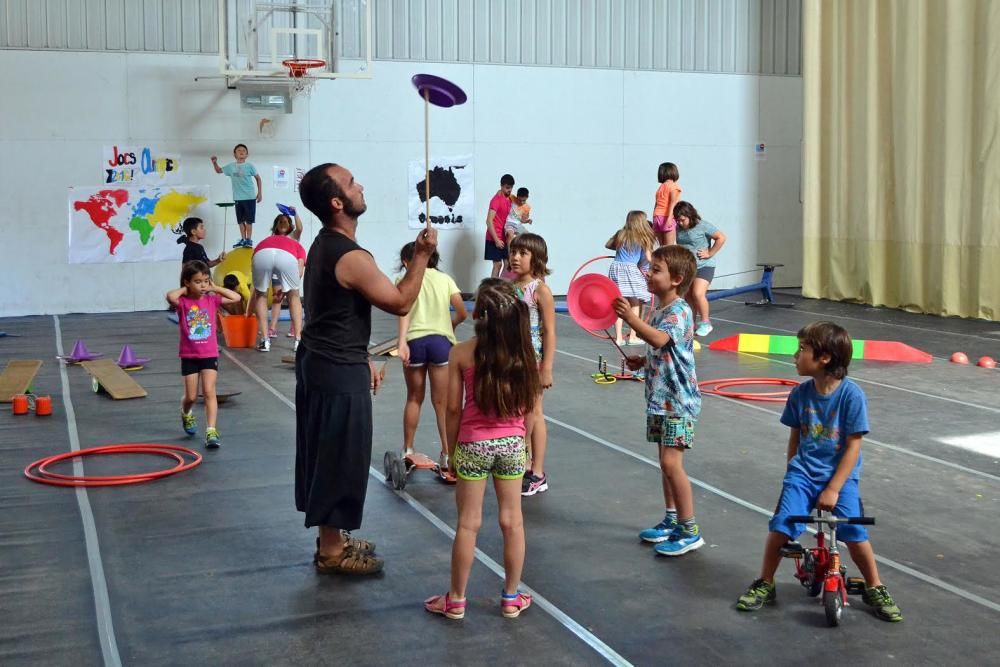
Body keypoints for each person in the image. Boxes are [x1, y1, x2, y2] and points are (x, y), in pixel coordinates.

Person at [296, 162, 438, 575]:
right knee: (340, 456)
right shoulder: (350, 256)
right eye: (351, 183)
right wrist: (422, 256)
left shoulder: (325, 245)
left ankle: (333, 537)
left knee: (329, 452)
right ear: (338, 202)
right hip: (335, 371)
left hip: (328, 361)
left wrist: (364, 357)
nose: (361, 185)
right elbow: (399, 301)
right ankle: (330, 551)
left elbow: (335, 316)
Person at [735, 322, 903, 622]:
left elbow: (853, 447)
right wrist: (792, 476)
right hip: (803, 474)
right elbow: (795, 438)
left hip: (840, 476)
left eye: (802, 350)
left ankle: (875, 586)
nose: (795, 356)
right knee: (781, 526)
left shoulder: (851, 396)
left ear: (824, 358)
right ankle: (765, 581)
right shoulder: (800, 395)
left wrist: (834, 488)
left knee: (854, 532)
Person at [424, 279, 541, 620]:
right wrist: (523, 444)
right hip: (511, 444)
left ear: (478, 315)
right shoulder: (524, 356)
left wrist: (450, 450)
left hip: (473, 444)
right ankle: (510, 597)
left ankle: (457, 599)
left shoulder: (460, 352)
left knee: (468, 523)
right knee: (512, 522)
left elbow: (452, 409)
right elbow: (532, 410)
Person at [614, 245, 705, 556]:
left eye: (655, 270)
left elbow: (660, 338)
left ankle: (690, 529)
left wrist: (630, 318)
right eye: (649, 268)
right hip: (659, 401)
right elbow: (661, 348)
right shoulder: (658, 310)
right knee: (664, 465)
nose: (647, 274)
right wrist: (643, 360)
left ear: (677, 278)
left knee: (671, 463)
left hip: (678, 401)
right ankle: (672, 519)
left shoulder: (680, 311)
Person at [396, 242, 467, 468]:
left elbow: (402, 310)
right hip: (440, 342)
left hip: (415, 341)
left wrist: (401, 340)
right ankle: (447, 454)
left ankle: (408, 449)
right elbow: (462, 312)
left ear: (408, 262)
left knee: (414, 398)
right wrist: (450, 326)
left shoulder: (405, 280)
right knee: (442, 403)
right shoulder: (445, 279)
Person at [165, 261, 242, 449]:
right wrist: (185, 288)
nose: (202, 285)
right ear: (188, 282)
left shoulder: (211, 300)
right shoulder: (183, 302)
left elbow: (236, 297)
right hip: (189, 355)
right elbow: (170, 296)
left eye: (205, 281)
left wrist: (215, 287)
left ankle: (211, 430)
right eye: (198, 282)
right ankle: (186, 413)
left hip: (209, 353)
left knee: (209, 391)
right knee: (191, 396)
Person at [508, 233, 556, 497]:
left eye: (522, 253)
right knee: (518, 412)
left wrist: (546, 367)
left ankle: (536, 471)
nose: (515, 257)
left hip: (532, 362)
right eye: (513, 252)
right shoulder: (508, 287)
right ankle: (522, 461)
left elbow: (549, 331)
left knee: (534, 413)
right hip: (510, 362)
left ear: (536, 258)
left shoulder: (540, 290)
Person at [251, 212, 306, 352]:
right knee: (294, 295)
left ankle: (265, 341)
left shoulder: (269, 239)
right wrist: (290, 289)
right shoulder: (297, 245)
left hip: (261, 252)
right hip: (287, 256)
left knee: (261, 295)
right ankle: (298, 341)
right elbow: (299, 272)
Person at [673, 201, 726, 337]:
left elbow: (721, 237)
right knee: (689, 296)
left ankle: (706, 323)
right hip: (688, 267)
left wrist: (710, 252)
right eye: (677, 220)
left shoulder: (702, 225)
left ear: (689, 215)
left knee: (697, 293)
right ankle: (690, 324)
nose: (679, 223)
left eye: (682, 220)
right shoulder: (678, 228)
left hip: (704, 265)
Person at [605, 210, 656, 345]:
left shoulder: (621, 234)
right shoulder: (643, 237)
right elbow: (649, 258)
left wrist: (622, 247)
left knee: (620, 302)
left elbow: (608, 244)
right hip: (631, 269)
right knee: (635, 302)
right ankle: (633, 337)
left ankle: (619, 338)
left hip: (616, 267)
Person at [211, 144, 262, 248]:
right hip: (238, 198)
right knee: (240, 220)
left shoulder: (250, 166)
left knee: (249, 220)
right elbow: (218, 170)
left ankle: (249, 240)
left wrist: (260, 193)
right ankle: (243, 239)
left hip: (249, 197)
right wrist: (215, 162)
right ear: (235, 154)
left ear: (247, 154)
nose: (242, 152)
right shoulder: (230, 167)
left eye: (244, 150)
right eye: (239, 150)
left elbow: (258, 178)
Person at [266, 206, 304, 339]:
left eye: (285, 222)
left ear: (289, 225)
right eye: (280, 222)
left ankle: (295, 327)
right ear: (276, 225)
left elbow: (300, 228)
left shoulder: (292, 236)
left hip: (291, 273)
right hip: (277, 273)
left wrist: (295, 213)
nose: (282, 224)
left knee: (292, 299)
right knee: (277, 299)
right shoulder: (272, 239)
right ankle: (272, 328)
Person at [485, 174, 515, 278]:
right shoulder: (496, 200)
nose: (509, 190)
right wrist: (496, 240)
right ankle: (492, 291)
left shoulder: (510, 199)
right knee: (497, 264)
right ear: (501, 186)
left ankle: (502, 289)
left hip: (505, 237)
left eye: (511, 188)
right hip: (494, 238)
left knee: (508, 264)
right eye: (507, 188)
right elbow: (489, 221)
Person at [652, 162, 682, 246]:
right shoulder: (674, 186)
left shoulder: (660, 187)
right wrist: (669, 218)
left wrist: (654, 219)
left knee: (662, 247)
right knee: (669, 248)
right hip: (667, 217)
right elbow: (673, 203)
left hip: (657, 217)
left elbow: (656, 204)